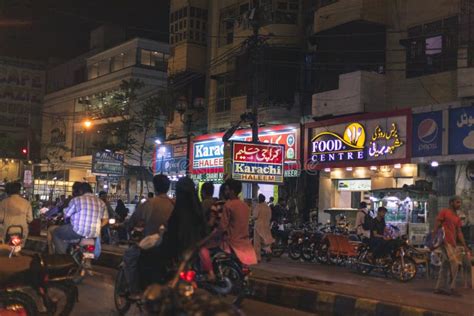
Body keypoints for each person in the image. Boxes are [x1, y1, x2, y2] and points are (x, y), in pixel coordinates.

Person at [123, 174, 174, 297]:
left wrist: (127, 227)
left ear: (154, 187)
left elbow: (133, 220)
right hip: (170, 246)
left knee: (129, 257)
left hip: (150, 246)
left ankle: (134, 290)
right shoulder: (174, 204)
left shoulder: (148, 204)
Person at [52, 183, 108, 254]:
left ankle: (63, 257)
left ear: (81, 191)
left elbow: (66, 215)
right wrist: (97, 226)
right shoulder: (101, 202)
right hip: (94, 233)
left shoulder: (76, 200)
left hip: (77, 231)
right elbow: (106, 220)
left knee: (56, 233)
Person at [433, 196, 470, 296]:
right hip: (444, 241)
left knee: (445, 265)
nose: (459, 205)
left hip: (452, 243)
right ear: (451, 202)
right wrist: (435, 237)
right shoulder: (444, 212)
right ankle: (451, 288)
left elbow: (459, 232)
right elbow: (437, 224)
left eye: (460, 203)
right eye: (457, 202)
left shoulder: (457, 218)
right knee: (454, 263)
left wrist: (464, 245)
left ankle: (439, 288)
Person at [219, 179, 257, 266]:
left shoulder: (228, 205)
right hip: (245, 242)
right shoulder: (245, 206)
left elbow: (222, 226)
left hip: (231, 243)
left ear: (232, 191)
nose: (226, 192)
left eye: (227, 189)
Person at [47, 182, 82, 254]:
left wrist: (47, 214)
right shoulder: (87, 201)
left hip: (71, 229)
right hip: (86, 232)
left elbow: (59, 209)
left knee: (51, 230)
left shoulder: (71, 200)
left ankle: (53, 254)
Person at [253, 194, 274, 262]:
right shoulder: (268, 207)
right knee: (266, 241)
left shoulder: (258, 206)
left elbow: (255, 216)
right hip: (266, 226)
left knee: (257, 243)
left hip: (258, 227)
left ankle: (258, 258)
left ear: (259, 199)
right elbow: (270, 217)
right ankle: (268, 251)